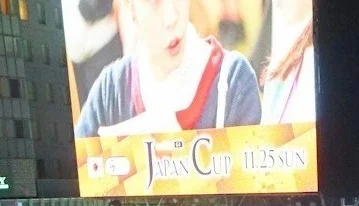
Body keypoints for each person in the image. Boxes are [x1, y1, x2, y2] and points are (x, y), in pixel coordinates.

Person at [75, 0, 262, 138]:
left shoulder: (232, 81)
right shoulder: (111, 91)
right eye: (153, 2)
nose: (171, 18)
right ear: (129, 5)